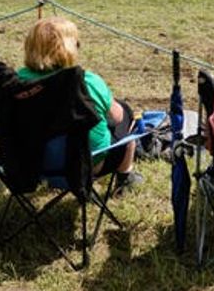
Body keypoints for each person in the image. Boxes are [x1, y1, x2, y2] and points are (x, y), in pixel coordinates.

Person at [16, 17, 143, 193]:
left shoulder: (13, 83)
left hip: (25, 164)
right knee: (126, 114)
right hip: (83, 165)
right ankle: (125, 177)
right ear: (69, 48)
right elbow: (117, 117)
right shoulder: (87, 82)